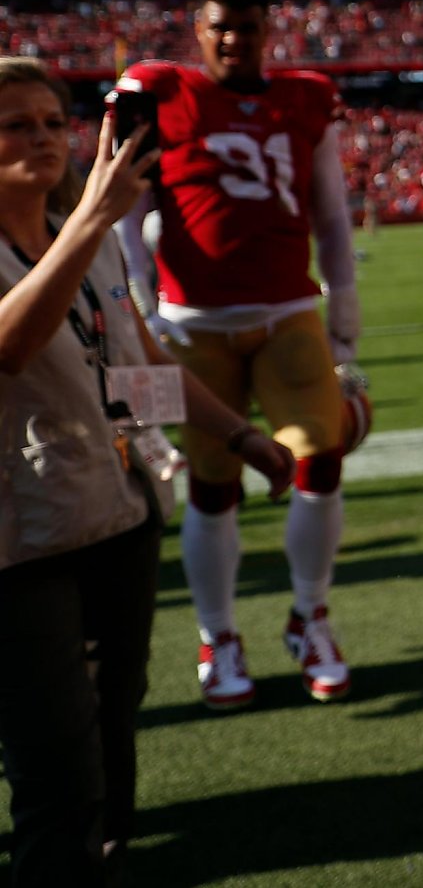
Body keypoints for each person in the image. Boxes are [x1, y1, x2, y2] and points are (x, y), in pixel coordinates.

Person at [0, 57, 292, 886]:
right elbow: (10, 347)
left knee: (110, 721)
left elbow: (137, 364)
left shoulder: (82, 244)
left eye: (55, 122)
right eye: (17, 123)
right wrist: (92, 222)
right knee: (54, 766)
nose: (45, 138)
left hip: (116, 515)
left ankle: (110, 849)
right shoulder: (84, 236)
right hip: (18, 547)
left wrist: (240, 437)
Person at [113, 0, 363, 709]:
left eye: (248, 27)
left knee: (320, 461)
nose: (234, 39)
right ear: (199, 29)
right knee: (211, 486)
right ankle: (217, 633)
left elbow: (332, 212)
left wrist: (344, 315)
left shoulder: (305, 97)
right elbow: (129, 214)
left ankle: (309, 613)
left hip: (289, 309)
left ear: (267, 31)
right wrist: (141, 313)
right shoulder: (162, 93)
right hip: (193, 323)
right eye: (221, 26)